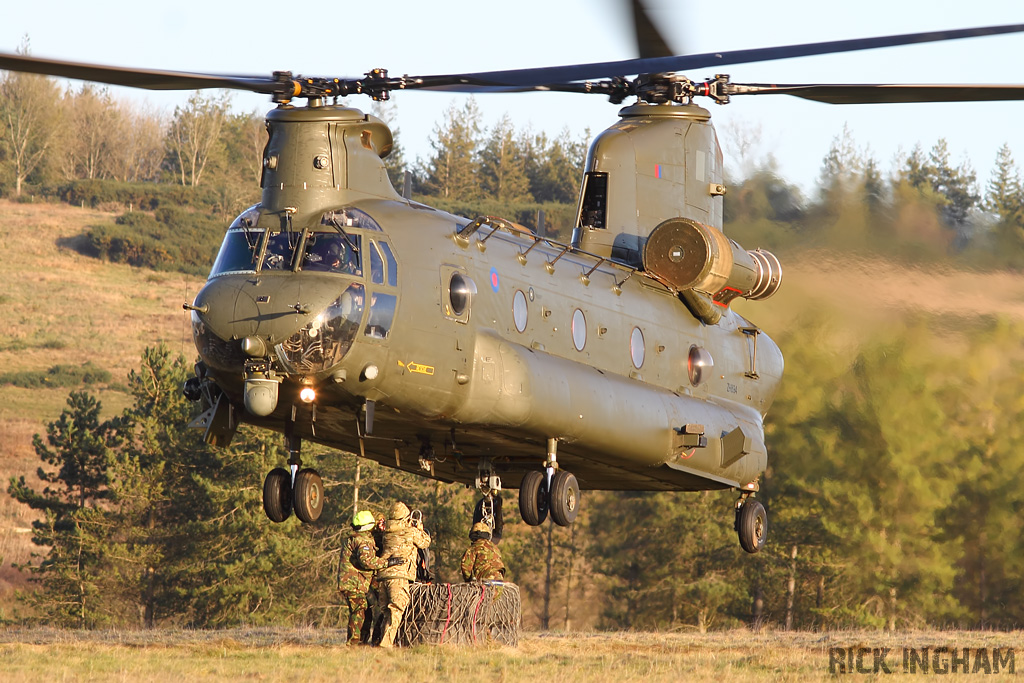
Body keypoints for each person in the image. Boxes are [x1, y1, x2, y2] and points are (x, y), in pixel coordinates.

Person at [376, 501, 430, 648]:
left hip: (383, 576)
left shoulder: (386, 533)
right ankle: (386, 645)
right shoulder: (410, 532)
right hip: (399, 577)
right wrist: (420, 529)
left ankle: (382, 641)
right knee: (396, 611)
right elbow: (425, 542)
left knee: (387, 613)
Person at [338, 509, 389, 645]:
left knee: (366, 610)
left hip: (358, 581)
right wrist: (387, 563)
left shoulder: (359, 537)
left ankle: (362, 641)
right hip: (353, 583)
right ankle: (354, 643)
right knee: (360, 609)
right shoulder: (362, 540)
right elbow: (367, 561)